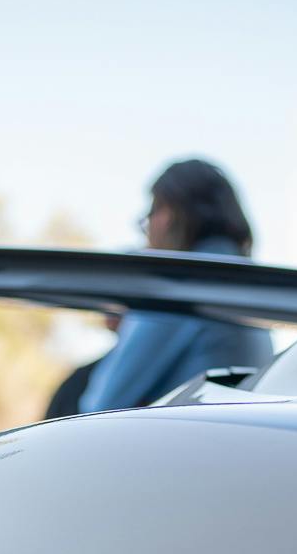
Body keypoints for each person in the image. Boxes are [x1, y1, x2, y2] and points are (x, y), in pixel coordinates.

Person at [78, 160, 273, 413]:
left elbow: (101, 405)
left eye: (149, 216)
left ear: (167, 215)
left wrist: (131, 322)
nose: (147, 234)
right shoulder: (249, 283)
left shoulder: (180, 285)